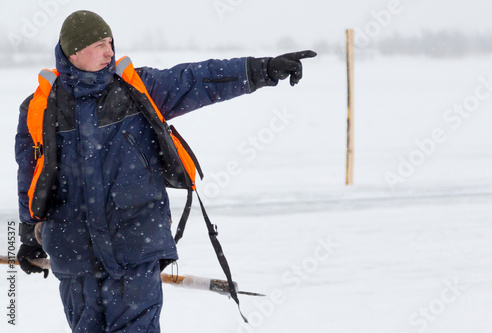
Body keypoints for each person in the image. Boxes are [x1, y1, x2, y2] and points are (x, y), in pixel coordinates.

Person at [15, 10, 316, 332]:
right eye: (99, 44)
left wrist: (263, 69)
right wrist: (28, 233)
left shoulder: (137, 90)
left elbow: (197, 79)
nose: (109, 52)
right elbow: (29, 174)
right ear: (73, 51)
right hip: (73, 250)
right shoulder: (40, 107)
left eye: (110, 43)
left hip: (134, 241)